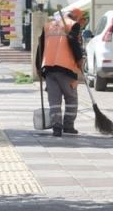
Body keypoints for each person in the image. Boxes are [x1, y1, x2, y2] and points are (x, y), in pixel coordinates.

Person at [35, 8, 85, 137]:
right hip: (66, 68)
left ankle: (56, 127)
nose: (82, 22)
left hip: (49, 68)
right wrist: (79, 58)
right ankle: (68, 126)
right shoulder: (72, 25)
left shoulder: (49, 26)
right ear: (76, 17)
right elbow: (73, 41)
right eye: (81, 19)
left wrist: (38, 67)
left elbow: (40, 47)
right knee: (71, 98)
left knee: (54, 100)